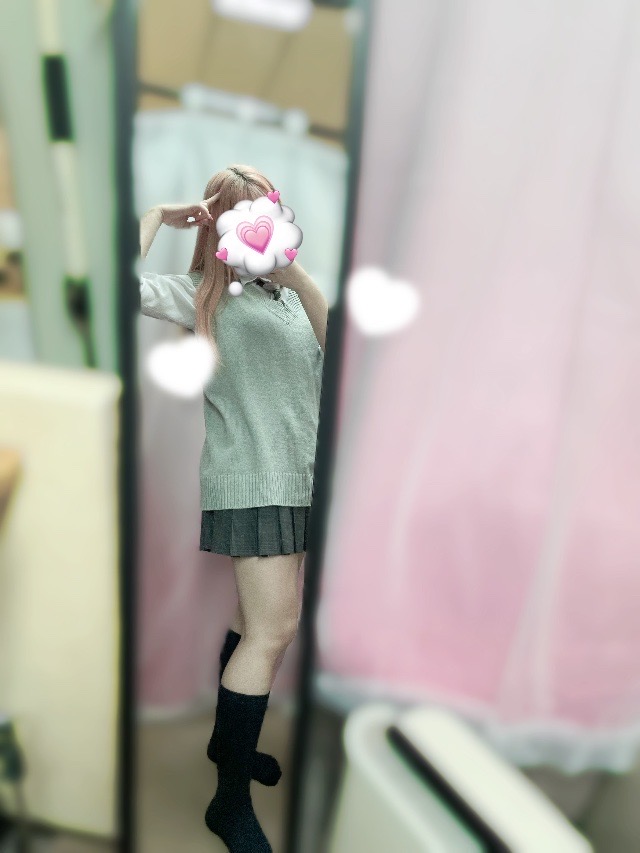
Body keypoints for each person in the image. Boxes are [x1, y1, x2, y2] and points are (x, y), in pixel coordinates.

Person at [139, 164, 327, 852]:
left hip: (299, 480)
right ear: (219, 223)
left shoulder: (288, 297)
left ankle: (230, 747)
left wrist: (295, 275)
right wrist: (157, 217)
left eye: (267, 207)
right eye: (241, 210)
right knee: (273, 631)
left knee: (253, 620)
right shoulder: (199, 293)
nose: (256, 220)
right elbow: (117, 287)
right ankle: (228, 802)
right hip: (252, 479)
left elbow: (339, 348)